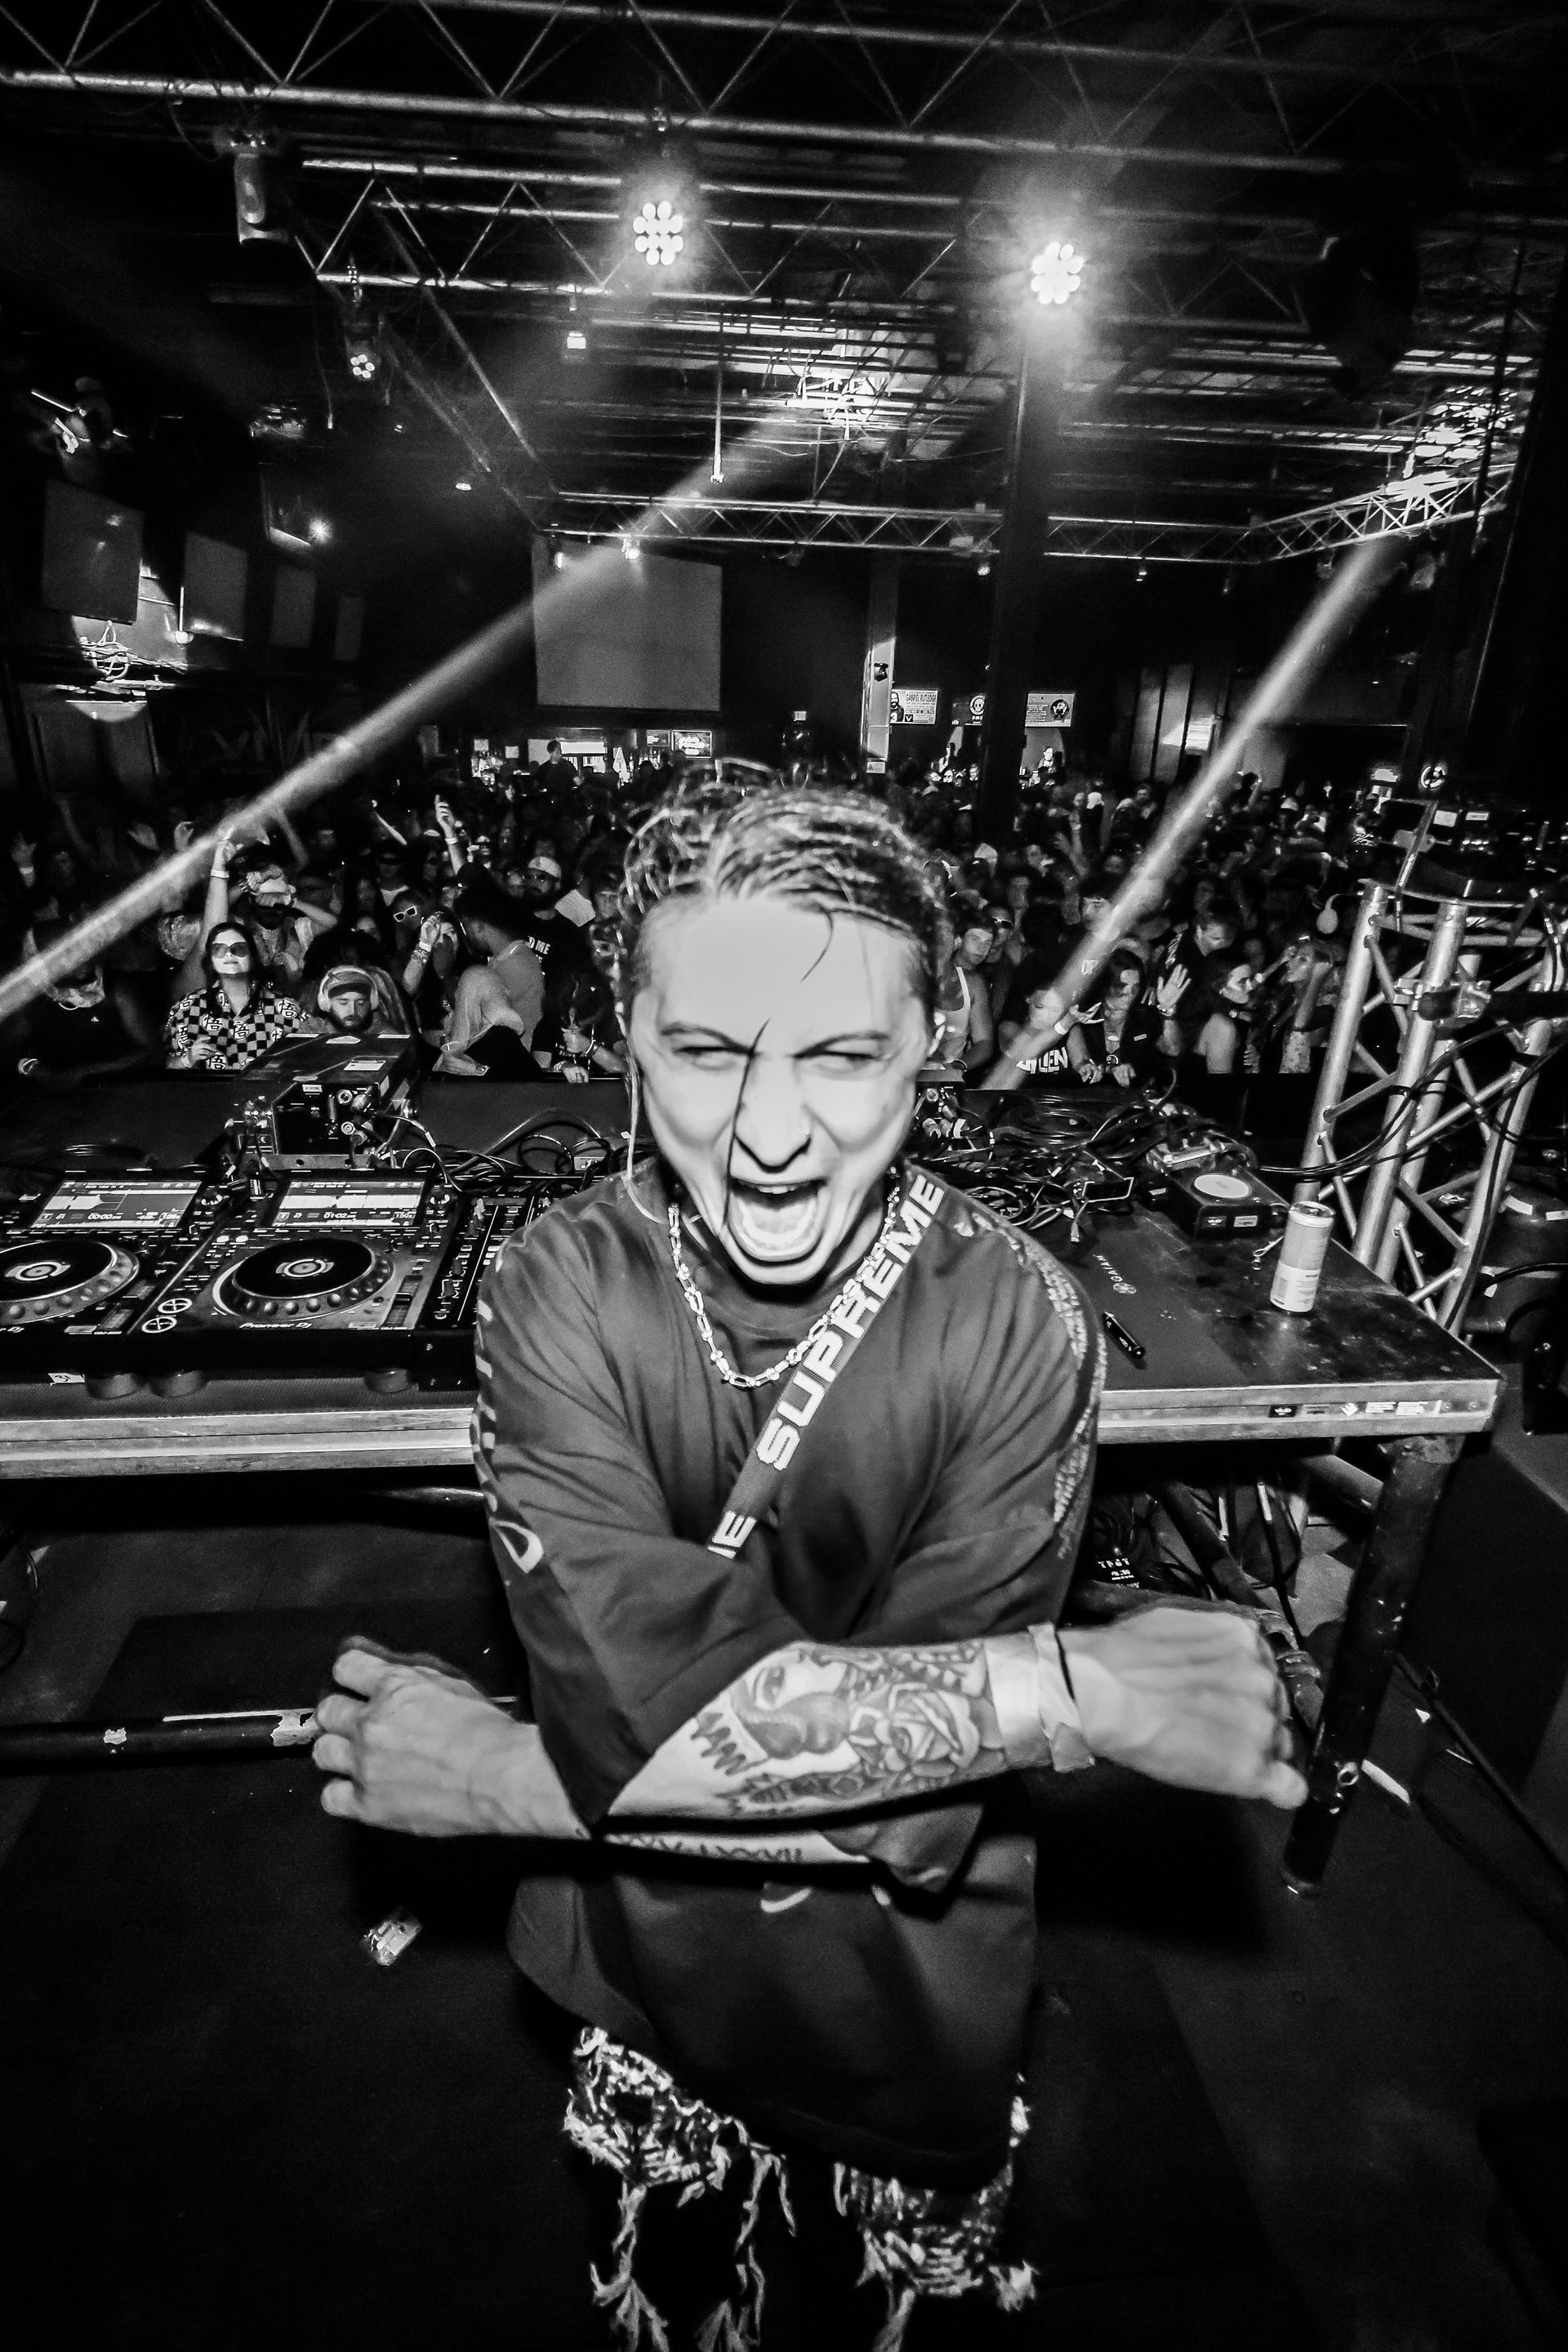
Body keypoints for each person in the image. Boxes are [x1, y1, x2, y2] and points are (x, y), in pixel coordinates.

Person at [312, 783, 1303, 2347]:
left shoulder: (1009, 1322)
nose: (769, 1137)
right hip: (638, 1971)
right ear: (626, 1040)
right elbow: (732, 1728)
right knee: (672, 2277)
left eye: (841, 1055)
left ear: (933, 1041)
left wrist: (502, 1778)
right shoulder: (560, 1281)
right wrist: (1059, 1692)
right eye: (708, 1054)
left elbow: (905, 1800)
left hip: (895, 1996)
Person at [163, 920, 314, 1071]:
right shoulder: (188, 1007)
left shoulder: (285, 1008)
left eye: (239, 948)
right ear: (210, 959)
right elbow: (166, 1067)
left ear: (252, 957)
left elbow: (313, 1059)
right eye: (219, 949)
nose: (229, 954)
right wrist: (188, 1059)